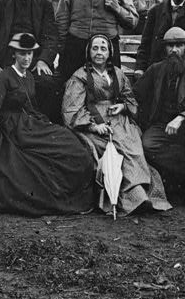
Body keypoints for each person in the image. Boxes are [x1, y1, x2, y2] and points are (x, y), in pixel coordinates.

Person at [0, 33, 96, 217]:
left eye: (30, 54)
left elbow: (30, 107)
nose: (26, 58)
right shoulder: (3, 78)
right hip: (11, 128)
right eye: (22, 54)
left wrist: (45, 122)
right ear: (14, 55)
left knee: (67, 141)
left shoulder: (29, 77)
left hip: (29, 123)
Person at [62, 34, 171, 216]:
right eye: (95, 48)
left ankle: (143, 194)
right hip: (93, 122)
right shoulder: (80, 77)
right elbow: (71, 109)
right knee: (113, 152)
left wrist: (123, 106)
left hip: (118, 120)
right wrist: (93, 126)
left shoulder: (118, 74)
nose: (99, 52)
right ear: (88, 52)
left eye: (103, 48)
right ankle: (132, 198)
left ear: (110, 52)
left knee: (133, 148)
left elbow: (130, 99)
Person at [134, 27, 185, 211]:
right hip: (161, 126)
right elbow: (135, 94)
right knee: (147, 145)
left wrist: (181, 117)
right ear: (164, 49)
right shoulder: (155, 70)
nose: (174, 50)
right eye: (170, 45)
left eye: (178, 45)